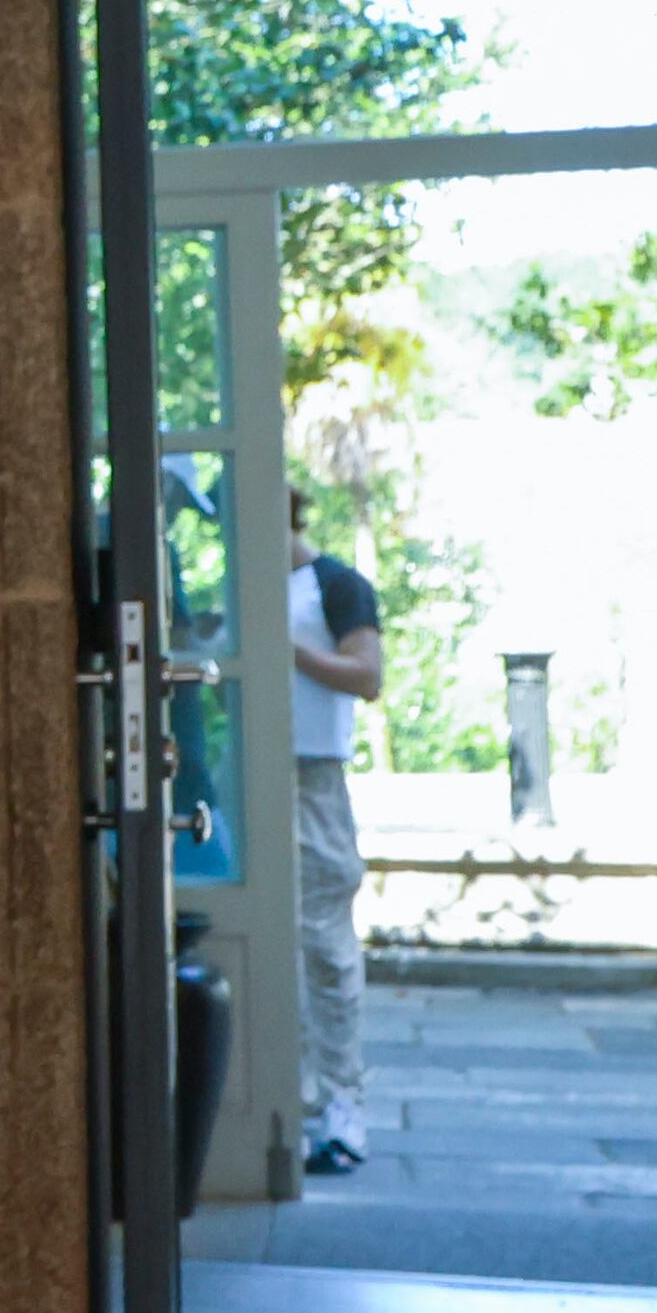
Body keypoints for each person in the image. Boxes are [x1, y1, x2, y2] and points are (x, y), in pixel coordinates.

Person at [287, 485, 385, 1177]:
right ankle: (287, 1106)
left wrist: (286, 650)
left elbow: (367, 676)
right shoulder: (238, 586)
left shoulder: (336, 584)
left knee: (323, 944)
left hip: (314, 775)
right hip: (250, 771)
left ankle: (340, 1105)